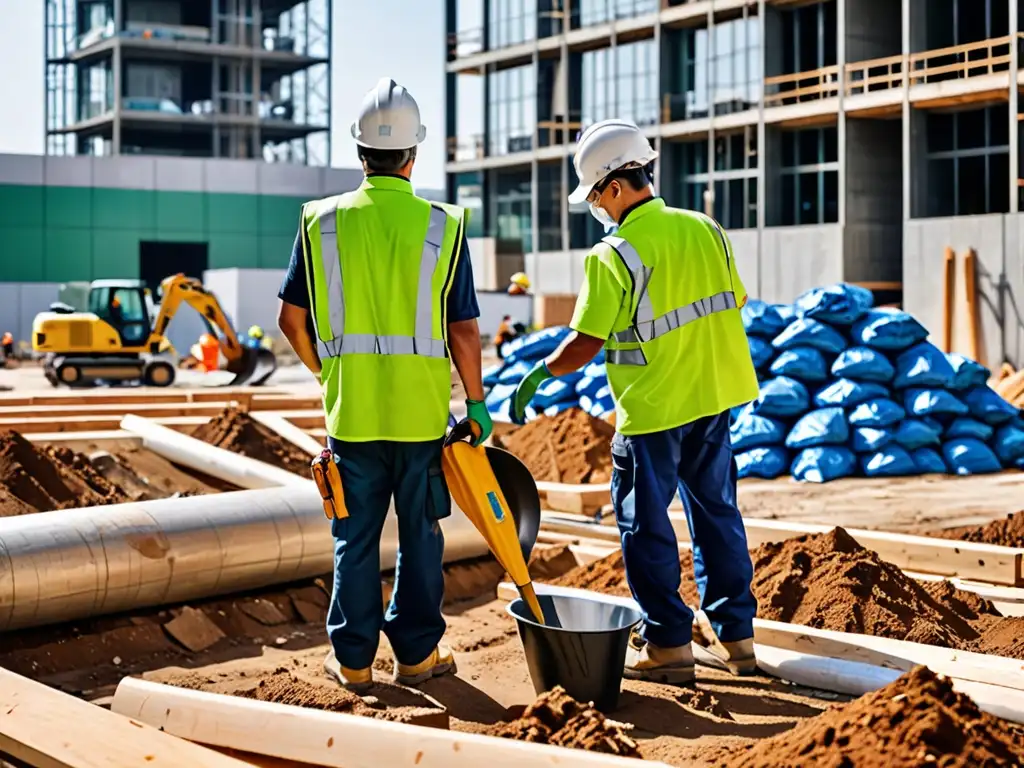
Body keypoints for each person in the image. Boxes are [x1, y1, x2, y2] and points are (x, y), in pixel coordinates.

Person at [510, 118, 760, 685]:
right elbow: (732, 302)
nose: (596, 206)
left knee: (645, 526)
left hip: (652, 412)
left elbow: (585, 342)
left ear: (616, 187)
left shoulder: (613, 255)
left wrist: (540, 374)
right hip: (714, 400)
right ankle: (737, 639)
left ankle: (669, 645)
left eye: (596, 194)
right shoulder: (708, 228)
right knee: (717, 515)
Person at [276, 77, 491, 693]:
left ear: (360, 151)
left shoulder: (322, 223)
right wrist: (475, 402)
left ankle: (352, 660)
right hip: (422, 420)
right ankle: (418, 656)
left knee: (355, 539)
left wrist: (330, 374)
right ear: (413, 154)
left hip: (354, 418)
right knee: (422, 540)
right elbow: (465, 329)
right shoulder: (442, 225)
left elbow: (292, 319)